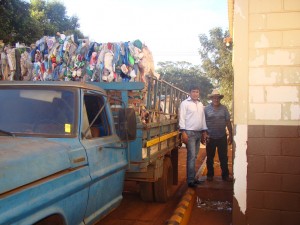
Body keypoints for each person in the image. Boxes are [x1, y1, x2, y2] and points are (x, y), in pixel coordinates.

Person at [179, 84, 208, 187]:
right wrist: (183, 132)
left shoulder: (200, 104)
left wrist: (204, 131)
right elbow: (181, 118)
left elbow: (203, 118)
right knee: (191, 157)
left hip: (199, 133)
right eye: (193, 91)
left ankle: (193, 178)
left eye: (197, 92)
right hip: (189, 133)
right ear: (189, 93)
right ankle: (190, 180)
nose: (195, 93)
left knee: (195, 156)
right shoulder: (184, 104)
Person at [204, 89, 233, 182]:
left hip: (222, 137)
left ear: (220, 99)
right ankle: (210, 175)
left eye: (217, 98)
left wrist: (231, 135)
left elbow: (228, 122)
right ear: (211, 98)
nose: (216, 99)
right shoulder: (206, 109)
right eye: (214, 98)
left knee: (223, 157)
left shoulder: (224, 108)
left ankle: (225, 175)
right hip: (210, 137)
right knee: (210, 157)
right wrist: (203, 134)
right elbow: (203, 123)